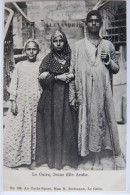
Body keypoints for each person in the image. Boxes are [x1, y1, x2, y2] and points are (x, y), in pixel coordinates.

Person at [69, 10, 125, 170]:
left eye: (96, 21)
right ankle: (88, 157)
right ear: (86, 24)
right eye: (90, 21)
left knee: (102, 122)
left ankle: (102, 156)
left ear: (101, 24)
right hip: (84, 93)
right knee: (86, 122)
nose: (93, 23)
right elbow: (72, 72)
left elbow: (116, 69)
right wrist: (72, 95)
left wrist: (108, 61)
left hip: (103, 93)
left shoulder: (108, 45)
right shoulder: (78, 46)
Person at [36, 30, 78, 170]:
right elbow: (41, 78)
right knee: (53, 126)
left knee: (67, 126)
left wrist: (71, 76)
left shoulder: (71, 57)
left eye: (61, 41)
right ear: (52, 43)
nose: (58, 44)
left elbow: (77, 72)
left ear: (65, 42)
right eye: (55, 41)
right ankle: (54, 160)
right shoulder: (48, 58)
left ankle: (67, 160)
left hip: (67, 96)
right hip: (52, 98)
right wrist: (56, 77)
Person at [4, 39, 41, 169]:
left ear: (38, 51)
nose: (31, 52)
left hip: (35, 103)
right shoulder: (20, 65)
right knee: (19, 129)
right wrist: (13, 101)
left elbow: (42, 85)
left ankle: (31, 159)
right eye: (29, 49)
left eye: (34, 49)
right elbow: (14, 83)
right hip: (21, 102)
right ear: (25, 51)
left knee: (33, 130)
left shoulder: (40, 65)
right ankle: (16, 158)